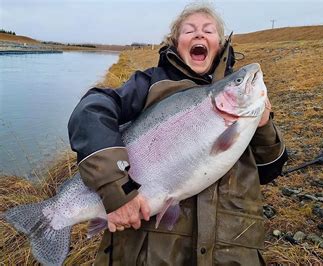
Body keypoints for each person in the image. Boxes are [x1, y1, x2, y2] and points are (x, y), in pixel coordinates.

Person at [68, 3, 288, 265]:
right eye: (189, 31)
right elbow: (91, 110)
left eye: (208, 30)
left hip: (230, 252)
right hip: (151, 252)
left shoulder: (244, 109)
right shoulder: (149, 83)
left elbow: (270, 170)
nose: (199, 35)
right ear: (175, 41)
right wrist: (116, 192)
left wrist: (263, 125)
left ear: (220, 42)